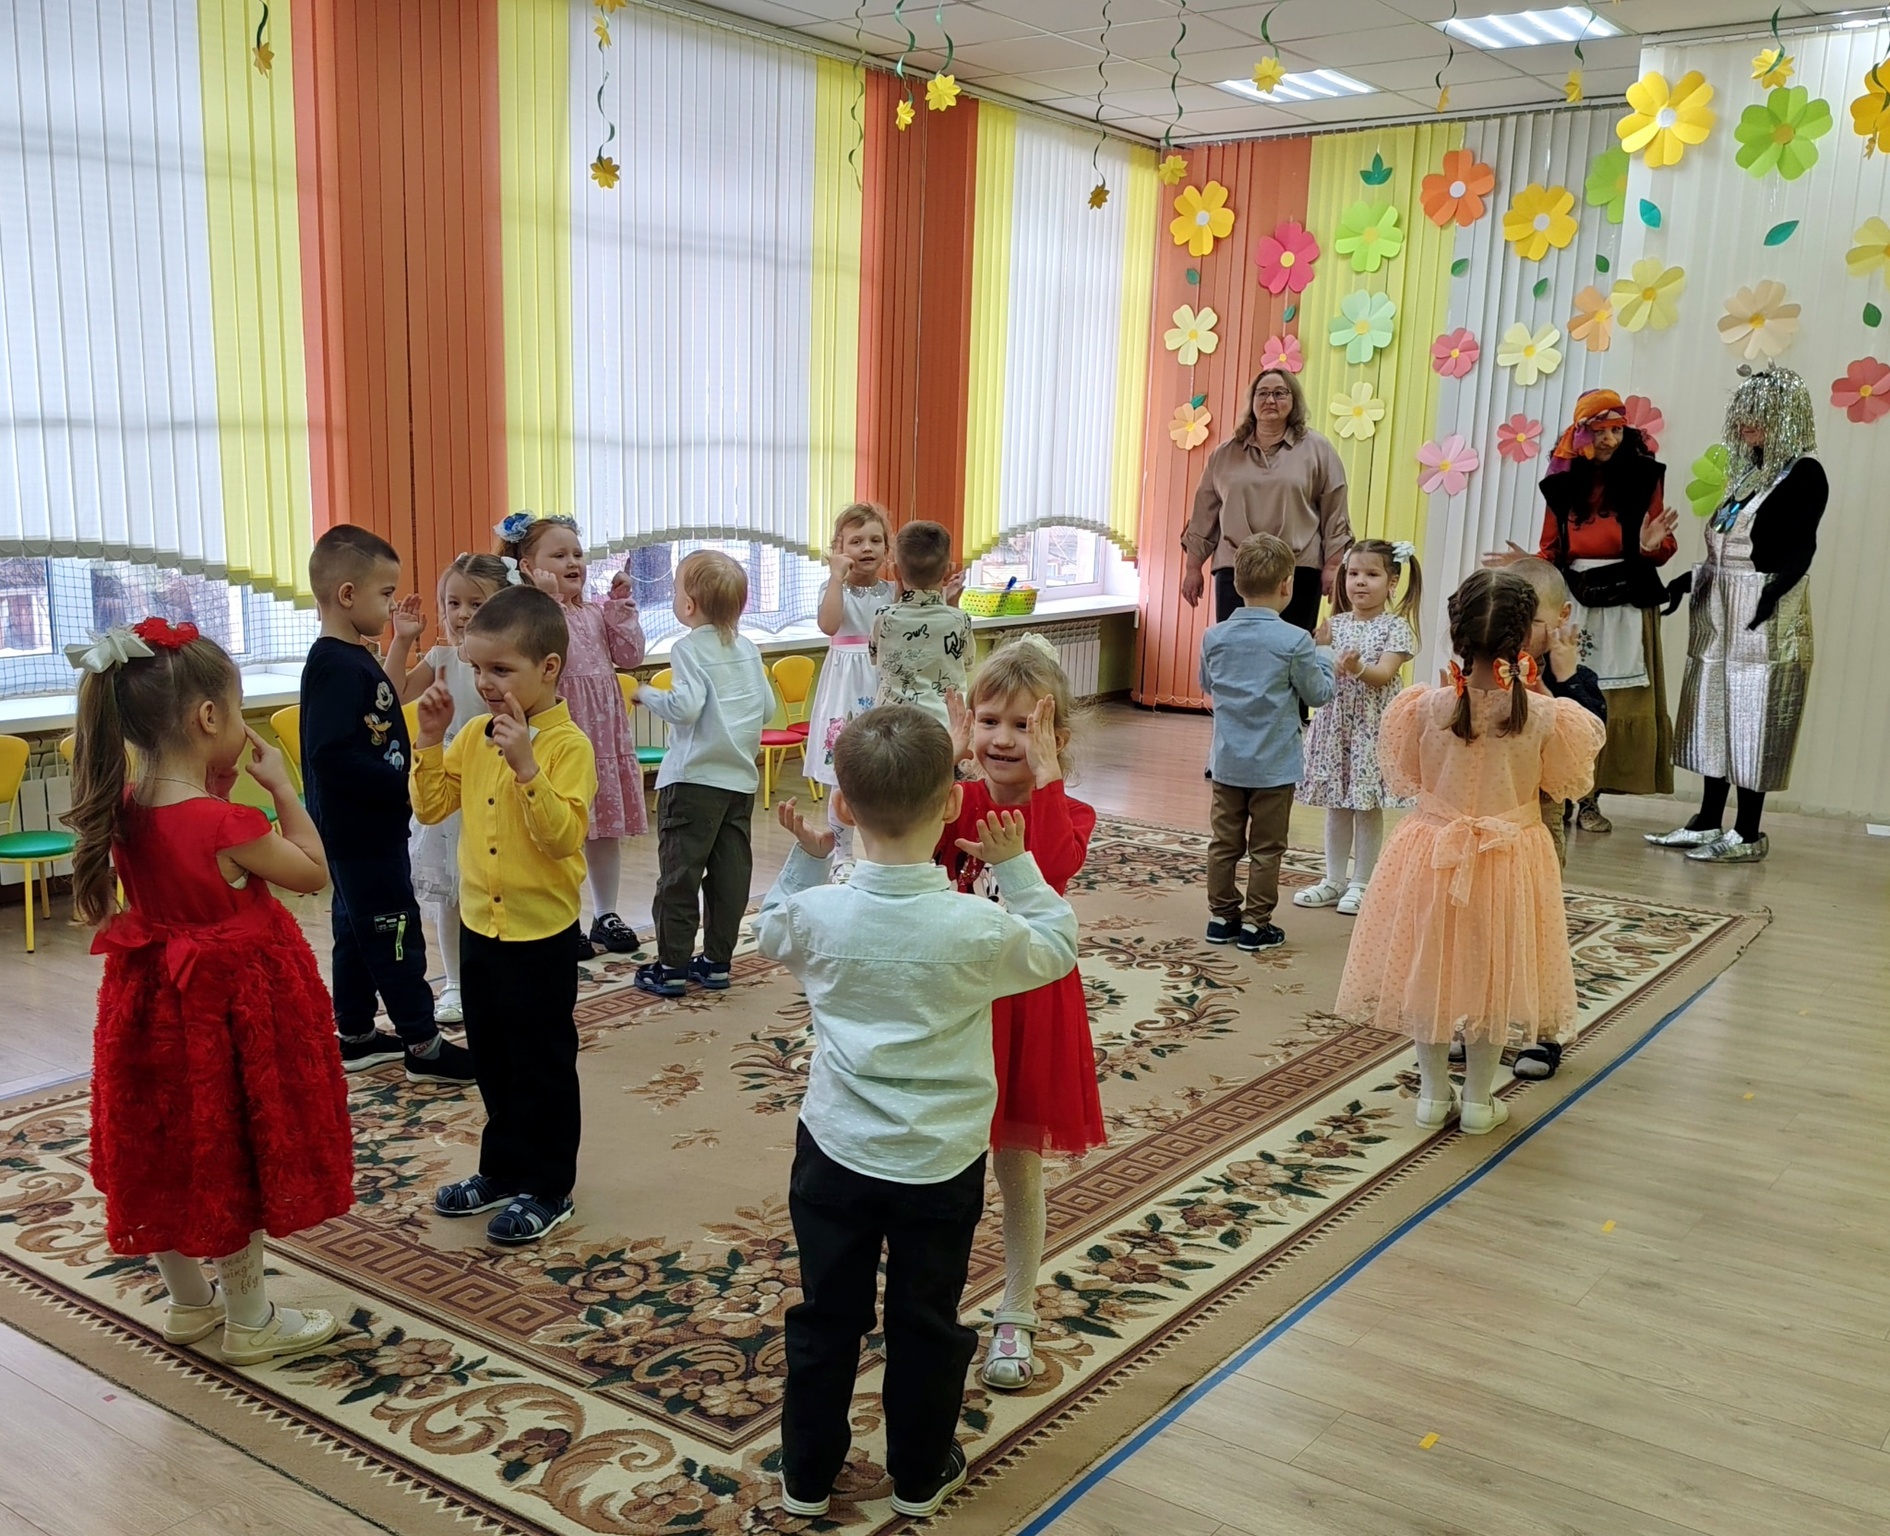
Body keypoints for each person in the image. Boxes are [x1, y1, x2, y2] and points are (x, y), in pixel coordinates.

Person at [757, 707, 1078, 1522]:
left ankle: (806, 1476)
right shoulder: (977, 926)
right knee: (926, 1319)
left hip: (834, 1151)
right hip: (939, 1160)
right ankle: (918, 1473)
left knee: (826, 1314)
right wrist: (1017, 865)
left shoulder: (819, 915)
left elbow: (770, 930)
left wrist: (806, 856)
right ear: (952, 804)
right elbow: (1056, 946)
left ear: (843, 806)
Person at [64, 618, 352, 1364]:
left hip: (150, 1003)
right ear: (208, 717)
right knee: (235, 1147)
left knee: (166, 1145)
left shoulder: (123, 808)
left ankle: (191, 1303)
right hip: (230, 1009)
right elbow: (312, 871)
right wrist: (283, 787)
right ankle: (251, 1319)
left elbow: (177, 841)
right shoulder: (230, 822)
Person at [1336, 570, 1606, 1133]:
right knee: (1493, 970)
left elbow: (1409, 776)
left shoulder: (1421, 707)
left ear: (1457, 632)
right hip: (1511, 858)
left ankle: (1433, 1094)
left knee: (1429, 966)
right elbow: (1564, 784)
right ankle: (1480, 1100)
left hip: (1433, 852)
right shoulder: (1547, 716)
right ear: (1524, 636)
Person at [937, 636, 1104, 1393]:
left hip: (1030, 1010)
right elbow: (911, 845)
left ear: (1055, 738)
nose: (1003, 739)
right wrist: (946, 765)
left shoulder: (1068, 810)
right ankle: (930, 1305)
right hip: (959, 1005)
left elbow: (1056, 866)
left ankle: (1016, 1306)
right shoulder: (957, 801)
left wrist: (1046, 780)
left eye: (1023, 726)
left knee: (1017, 1164)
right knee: (945, 1160)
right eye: (989, 722)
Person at [412, 585, 598, 1245]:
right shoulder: (471, 734)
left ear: (548, 669)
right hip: (480, 928)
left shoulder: (567, 747)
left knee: (541, 1062)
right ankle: (501, 1169)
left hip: (540, 934)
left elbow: (562, 837)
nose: (485, 683)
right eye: (476, 668)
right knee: (493, 1057)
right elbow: (432, 807)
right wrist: (428, 741)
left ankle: (548, 1186)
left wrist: (526, 768)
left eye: (500, 669)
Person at [301, 525, 474, 1083]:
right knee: (394, 930)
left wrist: (400, 639)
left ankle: (355, 1034)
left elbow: (378, 711)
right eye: (385, 594)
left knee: (356, 928)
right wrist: (401, 785)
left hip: (368, 827)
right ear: (347, 594)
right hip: (361, 830)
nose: (391, 603)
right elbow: (331, 755)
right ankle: (423, 1044)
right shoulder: (333, 664)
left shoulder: (353, 657)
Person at [1651, 366, 1827, 863]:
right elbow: (1724, 548)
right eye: (1744, 413)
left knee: (1755, 714)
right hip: (1719, 607)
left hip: (1762, 612)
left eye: (1759, 414)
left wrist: (1774, 595)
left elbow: (1803, 546)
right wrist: (1687, 582)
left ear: (1786, 417)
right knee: (1713, 709)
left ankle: (1748, 832)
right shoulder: (1747, 473)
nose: (1747, 423)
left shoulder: (1804, 474)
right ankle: (1708, 821)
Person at [1487, 389, 1677, 834]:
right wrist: (1528, 564)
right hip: (1575, 597)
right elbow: (1552, 548)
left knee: (1613, 698)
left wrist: (1648, 546)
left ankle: (1592, 797)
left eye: (1617, 429)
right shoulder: (1561, 482)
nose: (1609, 439)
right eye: (1600, 429)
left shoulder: (1645, 475)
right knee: (1569, 688)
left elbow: (1662, 543)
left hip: (1627, 601)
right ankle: (1562, 790)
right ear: (1580, 432)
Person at [498, 511, 646, 955]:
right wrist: (545, 600)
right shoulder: (528, 616)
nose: (573, 562)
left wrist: (620, 604)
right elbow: (539, 654)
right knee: (563, 833)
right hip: (559, 742)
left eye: (578, 554)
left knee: (603, 832)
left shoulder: (596, 613)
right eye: (559, 555)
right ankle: (566, 920)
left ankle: (606, 914)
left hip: (602, 743)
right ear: (528, 566)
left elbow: (631, 656)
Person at [385, 552, 520, 1023]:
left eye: (476, 604)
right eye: (453, 603)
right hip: (451, 789)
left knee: (501, 884)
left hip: (499, 780)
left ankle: (504, 975)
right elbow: (392, 693)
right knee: (452, 894)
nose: (462, 614)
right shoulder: (441, 659)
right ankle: (457, 984)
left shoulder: (509, 665)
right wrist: (403, 639)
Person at [632, 551, 772, 998]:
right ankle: (716, 962)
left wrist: (646, 694)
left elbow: (685, 708)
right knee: (730, 874)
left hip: (692, 782)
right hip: (740, 782)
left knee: (680, 875)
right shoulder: (748, 649)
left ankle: (671, 967)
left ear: (688, 605)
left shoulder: (688, 648)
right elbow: (767, 709)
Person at [1199, 534, 1336, 953]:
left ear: (1237, 583)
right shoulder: (1296, 640)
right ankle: (1256, 925)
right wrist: (1325, 653)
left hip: (1227, 764)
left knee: (1224, 843)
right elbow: (1318, 694)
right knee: (1266, 847)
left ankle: (1221, 917)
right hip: (1274, 768)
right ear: (1286, 585)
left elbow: (1207, 685)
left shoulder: (1214, 636)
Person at [1293, 538, 1422, 917]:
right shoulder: (1334, 625)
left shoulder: (1395, 628)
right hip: (1335, 730)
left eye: (1371, 574)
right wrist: (1320, 650)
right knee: (1337, 804)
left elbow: (1383, 675)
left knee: (1366, 807)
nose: (1360, 582)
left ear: (1392, 581)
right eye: (1353, 574)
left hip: (1370, 732)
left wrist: (1356, 667)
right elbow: (1318, 674)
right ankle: (1334, 879)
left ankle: (1362, 882)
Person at [1178, 368, 1352, 630]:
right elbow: (1204, 514)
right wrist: (1193, 568)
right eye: (1263, 393)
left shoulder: (1318, 449)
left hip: (1297, 569)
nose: (1270, 400)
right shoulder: (1225, 454)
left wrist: (1333, 565)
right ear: (1252, 401)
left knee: (1290, 649)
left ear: (1293, 400)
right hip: (1236, 569)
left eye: (1280, 393)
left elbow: (1334, 509)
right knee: (1237, 648)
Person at [807, 502, 895, 870]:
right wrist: (835, 578)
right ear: (839, 549)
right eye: (856, 541)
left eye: (875, 540)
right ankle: (841, 854)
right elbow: (829, 625)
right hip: (845, 686)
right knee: (842, 774)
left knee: (887, 770)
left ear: (887, 548)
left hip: (882, 681)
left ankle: (885, 851)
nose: (866, 548)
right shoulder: (834, 589)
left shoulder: (894, 591)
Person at [871, 520, 973, 728]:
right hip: (944, 724)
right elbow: (968, 662)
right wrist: (952, 605)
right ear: (948, 571)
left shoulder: (883, 616)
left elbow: (875, 658)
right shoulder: (960, 619)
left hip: (892, 726)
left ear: (895, 572)